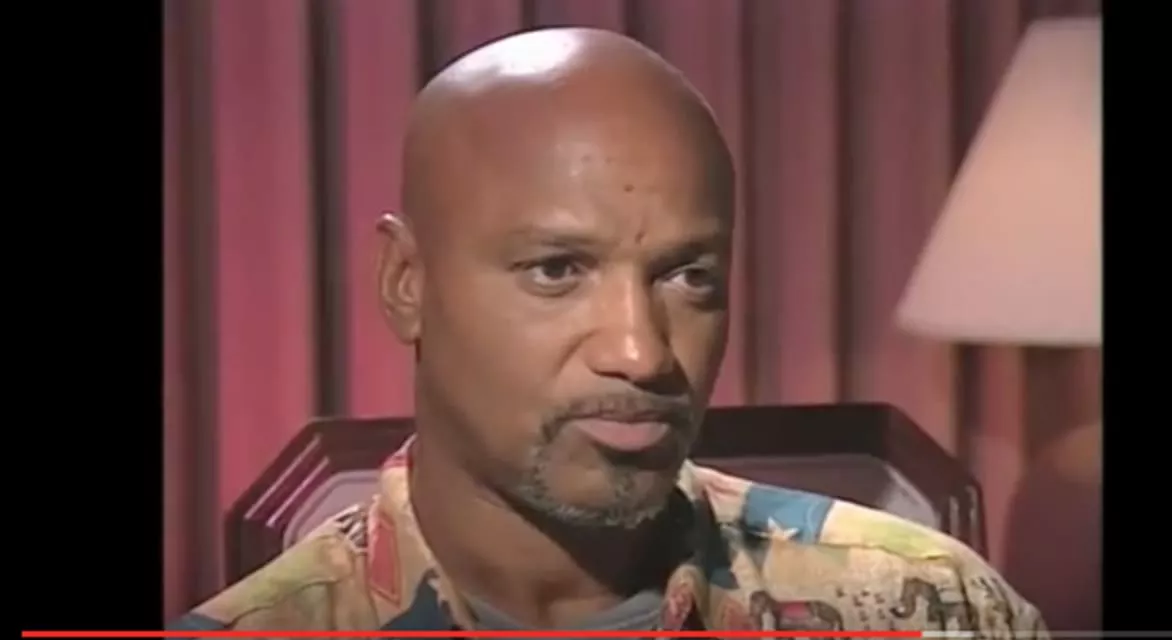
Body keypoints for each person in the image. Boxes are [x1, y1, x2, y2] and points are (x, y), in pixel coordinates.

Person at [170, 27, 1049, 634]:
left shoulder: (934, 609)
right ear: (407, 284)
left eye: (687, 276)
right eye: (557, 270)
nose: (641, 352)